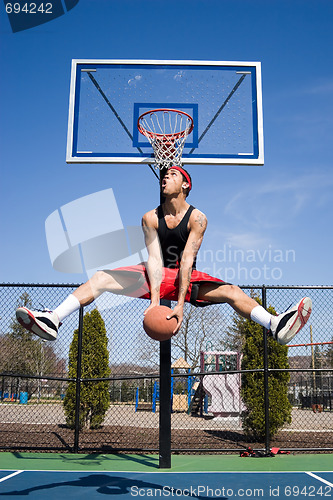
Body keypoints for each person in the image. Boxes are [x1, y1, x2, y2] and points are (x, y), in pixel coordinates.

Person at [16, 166, 312, 344]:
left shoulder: (198, 219)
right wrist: (156, 304)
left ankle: (275, 325)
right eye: (163, 175)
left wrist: (180, 305)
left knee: (233, 291)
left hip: (186, 276)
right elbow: (155, 260)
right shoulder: (150, 218)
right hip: (154, 275)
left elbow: (186, 261)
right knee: (101, 277)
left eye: (171, 175)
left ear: (185, 185)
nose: (164, 178)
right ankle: (53, 318)